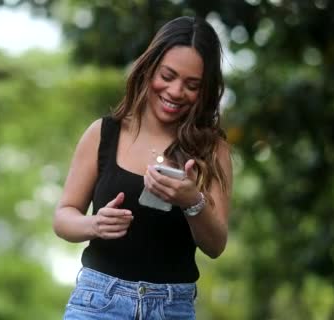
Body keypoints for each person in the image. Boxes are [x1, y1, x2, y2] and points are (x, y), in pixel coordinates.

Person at [53, 15, 233, 320]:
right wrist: (94, 224)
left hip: (172, 307)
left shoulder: (213, 149)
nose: (176, 91)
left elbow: (215, 245)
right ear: (148, 69)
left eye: (192, 85)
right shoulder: (103, 133)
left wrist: (192, 201)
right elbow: (63, 217)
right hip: (98, 303)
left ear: (205, 91)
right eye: (168, 75)